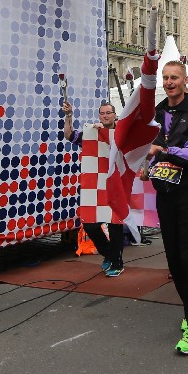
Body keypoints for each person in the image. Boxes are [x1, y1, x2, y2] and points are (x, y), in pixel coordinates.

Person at [145, 60, 188, 355]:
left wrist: (162, 151)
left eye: (174, 77)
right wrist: (147, 165)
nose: (169, 82)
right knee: (173, 260)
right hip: (165, 192)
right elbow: (149, 147)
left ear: (185, 80)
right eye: (165, 77)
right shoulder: (158, 111)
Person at [64, 99, 126, 277]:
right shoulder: (92, 133)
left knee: (115, 224)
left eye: (108, 113)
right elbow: (69, 135)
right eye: (102, 113)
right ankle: (110, 255)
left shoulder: (123, 132)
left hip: (118, 184)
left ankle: (117, 263)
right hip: (96, 185)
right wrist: (68, 116)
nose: (105, 116)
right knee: (90, 224)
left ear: (115, 115)